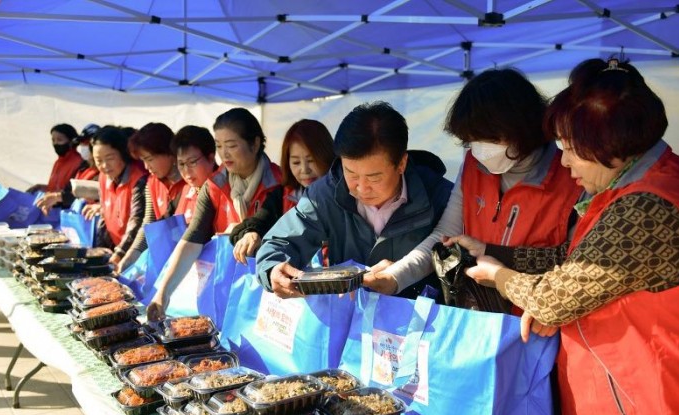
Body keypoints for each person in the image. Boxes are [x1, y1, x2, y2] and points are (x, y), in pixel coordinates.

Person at [466, 58, 679, 415]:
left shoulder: (647, 206)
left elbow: (553, 300)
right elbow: (575, 261)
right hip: (631, 408)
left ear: (609, 147)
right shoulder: (636, 185)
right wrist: (496, 253)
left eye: (569, 150)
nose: (563, 163)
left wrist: (499, 275)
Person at [364, 68, 581, 313]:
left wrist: (549, 310)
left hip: (540, 320)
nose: (480, 150)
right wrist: (395, 277)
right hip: (478, 319)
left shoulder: (574, 177)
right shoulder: (473, 166)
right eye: (471, 140)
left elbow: (575, 268)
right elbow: (444, 235)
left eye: (490, 139)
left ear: (524, 128)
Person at [255, 101, 453, 300]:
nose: (361, 187)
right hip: (350, 318)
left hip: (419, 322)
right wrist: (272, 268)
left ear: (401, 163)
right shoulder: (326, 193)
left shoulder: (440, 196)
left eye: (374, 177)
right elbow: (282, 240)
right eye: (351, 173)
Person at [146, 108, 281, 320]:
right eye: (219, 146)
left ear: (254, 144)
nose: (224, 154)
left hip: (267, 293)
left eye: (232, 146)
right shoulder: (213, 186)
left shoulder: (279, 183)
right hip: (226, 288)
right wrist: (163, 293)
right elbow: (192, 239)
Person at [229, 119, 336, 264]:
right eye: (296, 162)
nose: (304, 170)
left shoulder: (345, 193)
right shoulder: (281, 196)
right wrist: (251, 233)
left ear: (326, 156)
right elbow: (258, 221)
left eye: (311, 160)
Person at [117, 123, 186, 273]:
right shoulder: (152, 182)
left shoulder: (191, 181)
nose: (147, 167)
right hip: (166, 261)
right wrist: (131, 254)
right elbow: (148, 222)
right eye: (143, 160)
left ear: (169, 152)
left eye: (150, 159)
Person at [83, 126, 148, 267]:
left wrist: (119, 254)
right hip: (118, 251)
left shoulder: (139, 179)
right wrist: (99, 253)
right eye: (98, 160)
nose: (105, 166)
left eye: (110, 158)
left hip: (137, 256)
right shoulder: (103, 177)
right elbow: (105, 216)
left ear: (123, 154)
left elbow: (136, 222)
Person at [35, 123, 101, 214]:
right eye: (82, 144)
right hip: (75, 216)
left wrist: (58, 197)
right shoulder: (83, 167)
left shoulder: (102, 170)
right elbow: (70, 189)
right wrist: (51, 195)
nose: (84, 147)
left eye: (87, 144)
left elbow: (95, 192)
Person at [171, 125, 218, 224]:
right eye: (181, 164)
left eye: (192, 162)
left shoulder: (224, 191)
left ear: (211, 158)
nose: (186, 171)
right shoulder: (185, 191)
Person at [27, 123, 83, 194]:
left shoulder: (79, 162)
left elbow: (73, 192)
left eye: (59, 140)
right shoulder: (58, 162)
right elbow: (54, 188)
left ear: (71, 141)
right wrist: (40, 187)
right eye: (53, 140)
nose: (55, 143)